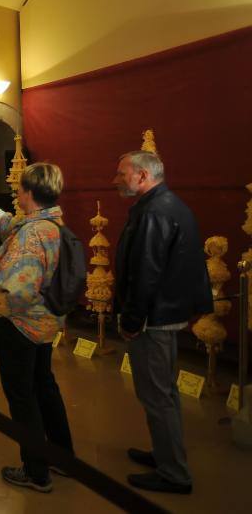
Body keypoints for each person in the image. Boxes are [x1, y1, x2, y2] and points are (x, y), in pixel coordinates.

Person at [113, 150, 212, 495]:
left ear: (142, 176)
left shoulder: (155, 211)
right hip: (166, 314)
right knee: (164, 392)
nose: (118, 179)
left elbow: (146, 271)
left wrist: (131, 318)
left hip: (153, 320)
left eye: (123, 173)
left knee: (156, 396)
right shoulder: (171, 204)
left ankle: (173, 473)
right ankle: (165, 454)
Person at [0, 163, 74, 493]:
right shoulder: (49, 224)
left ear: (29, 193)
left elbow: (18, 290)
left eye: (19, 189)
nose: (16, 193)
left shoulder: (31, 235)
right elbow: (8, 226)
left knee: (23, 397)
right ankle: (62, 457)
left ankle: (36, 471)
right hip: (44, 323)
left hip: (19, 325)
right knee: (44, 386)